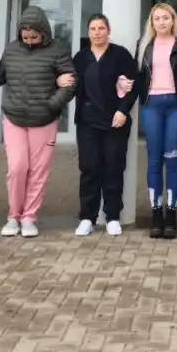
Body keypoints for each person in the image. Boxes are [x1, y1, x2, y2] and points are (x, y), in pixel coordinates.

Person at [0, 5, 76, 238]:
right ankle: (13, 216)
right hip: (14, 117)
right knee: (17, 168)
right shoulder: (12, 49)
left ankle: (29, 217)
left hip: (44, 119)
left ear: (43, 32)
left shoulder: (58, 50)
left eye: (34, 37)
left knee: (38, 171)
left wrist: (52, 104)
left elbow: (70, 82)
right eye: (25, 36)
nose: (28, 41)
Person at [132, 2, 177, 239]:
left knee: (172, 158)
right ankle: (156, 213)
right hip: (152, 106)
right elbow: (136, 76)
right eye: (157, 18)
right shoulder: (143, 45)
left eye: (166, 18)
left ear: (173, 20)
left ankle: (171, 213)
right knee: (153, 160)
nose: (161, 22)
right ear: (151, 22)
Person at [72, 14, 139, 236]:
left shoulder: (120, 55)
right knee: (89, 169)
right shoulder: (81, 58)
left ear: (108, 30)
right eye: (93, 28)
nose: (97, 32)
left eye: (101, 28)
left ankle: (112, 216)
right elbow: (73, 86)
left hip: (115, 121)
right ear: (88, 32)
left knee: (113, 168)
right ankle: (87, 218)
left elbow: (134, 85)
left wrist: (123, 110)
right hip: (87, 122)